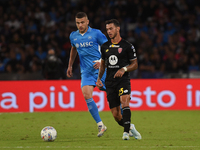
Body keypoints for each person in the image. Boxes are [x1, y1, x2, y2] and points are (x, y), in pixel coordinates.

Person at [96, 19, 142, 140]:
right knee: (116, 115)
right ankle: (130, 127)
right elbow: (103, 65)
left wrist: (124, 69)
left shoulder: (127, 46)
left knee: (124, 102)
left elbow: (135, 64)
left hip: (123, 80)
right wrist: (99, 79)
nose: (109, 31)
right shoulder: (105, 46)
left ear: (118, 28)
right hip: (110, 82)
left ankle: (125, 133)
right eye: (107, 29)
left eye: (111, 29)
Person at [66, 12, 107, 137]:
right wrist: (70, 65)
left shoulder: (96, 33)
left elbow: (108, 48)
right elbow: (74, 49)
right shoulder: (73, 36)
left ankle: (127, 123)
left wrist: (101, 61)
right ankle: (100, 125)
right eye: (78, 23)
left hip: (101, 70)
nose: (80, 25)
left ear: (87, 22)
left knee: (112, 95)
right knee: (86, 94)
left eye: (82, 22)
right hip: (86, 72)